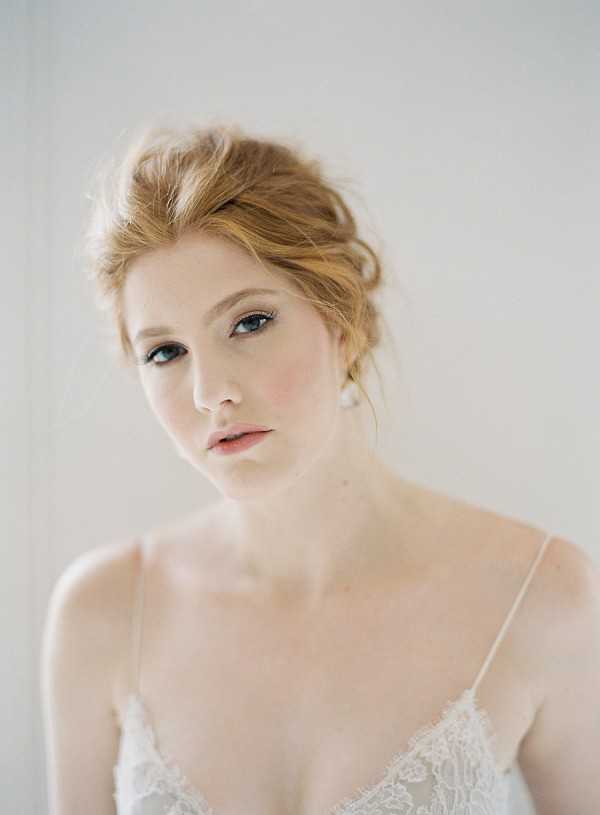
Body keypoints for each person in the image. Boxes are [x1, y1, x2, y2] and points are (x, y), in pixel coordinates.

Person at [41, 122, 600, 815]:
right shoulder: (101, 613)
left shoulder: (542, 596)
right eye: (165, 352)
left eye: (248, 322)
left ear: (342, 321)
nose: (209, 390)